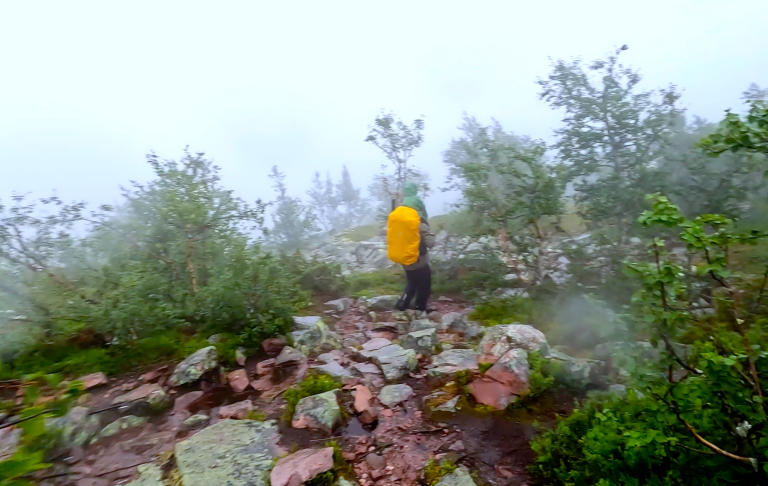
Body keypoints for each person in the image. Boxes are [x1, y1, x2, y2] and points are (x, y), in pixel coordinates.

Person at [395, 182, 435, 313]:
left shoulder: (400, 221)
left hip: (405, 260)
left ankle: (402, 304)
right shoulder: (419, 223)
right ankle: (420, 308)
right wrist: (429, 232)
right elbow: (430, 243)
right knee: (425, 285)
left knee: (412, 283)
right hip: (419, 261)